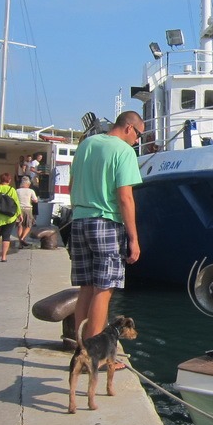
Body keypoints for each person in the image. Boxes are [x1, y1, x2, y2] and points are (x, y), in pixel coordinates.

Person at [69, 110, 144, 354]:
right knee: (104, 290)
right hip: (106, 223)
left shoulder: (86, 145)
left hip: (79, 221)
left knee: (86, 288)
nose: (138, 140)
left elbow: (71, 185)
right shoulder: (124, 151)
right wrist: (133, 238)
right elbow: (125, 198)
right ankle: (93, 354)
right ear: (129, 128)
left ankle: (79, 347)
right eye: (139, 135)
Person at [0, 172, 22, 262]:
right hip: (10, 216)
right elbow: (16, 203)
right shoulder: (12, 190)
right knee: (6, 236)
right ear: (9, 180)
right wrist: (19, 214)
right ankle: (3, 257)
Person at [16, 176, 39, 247]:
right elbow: (35, 200)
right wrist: (31, 200)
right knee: (29, 225)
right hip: (28, 209)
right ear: (28, 184)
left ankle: (20, 243)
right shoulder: (31, 191)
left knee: (20, 226)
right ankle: (22, 238)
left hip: (19, 209)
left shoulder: (17, 190)